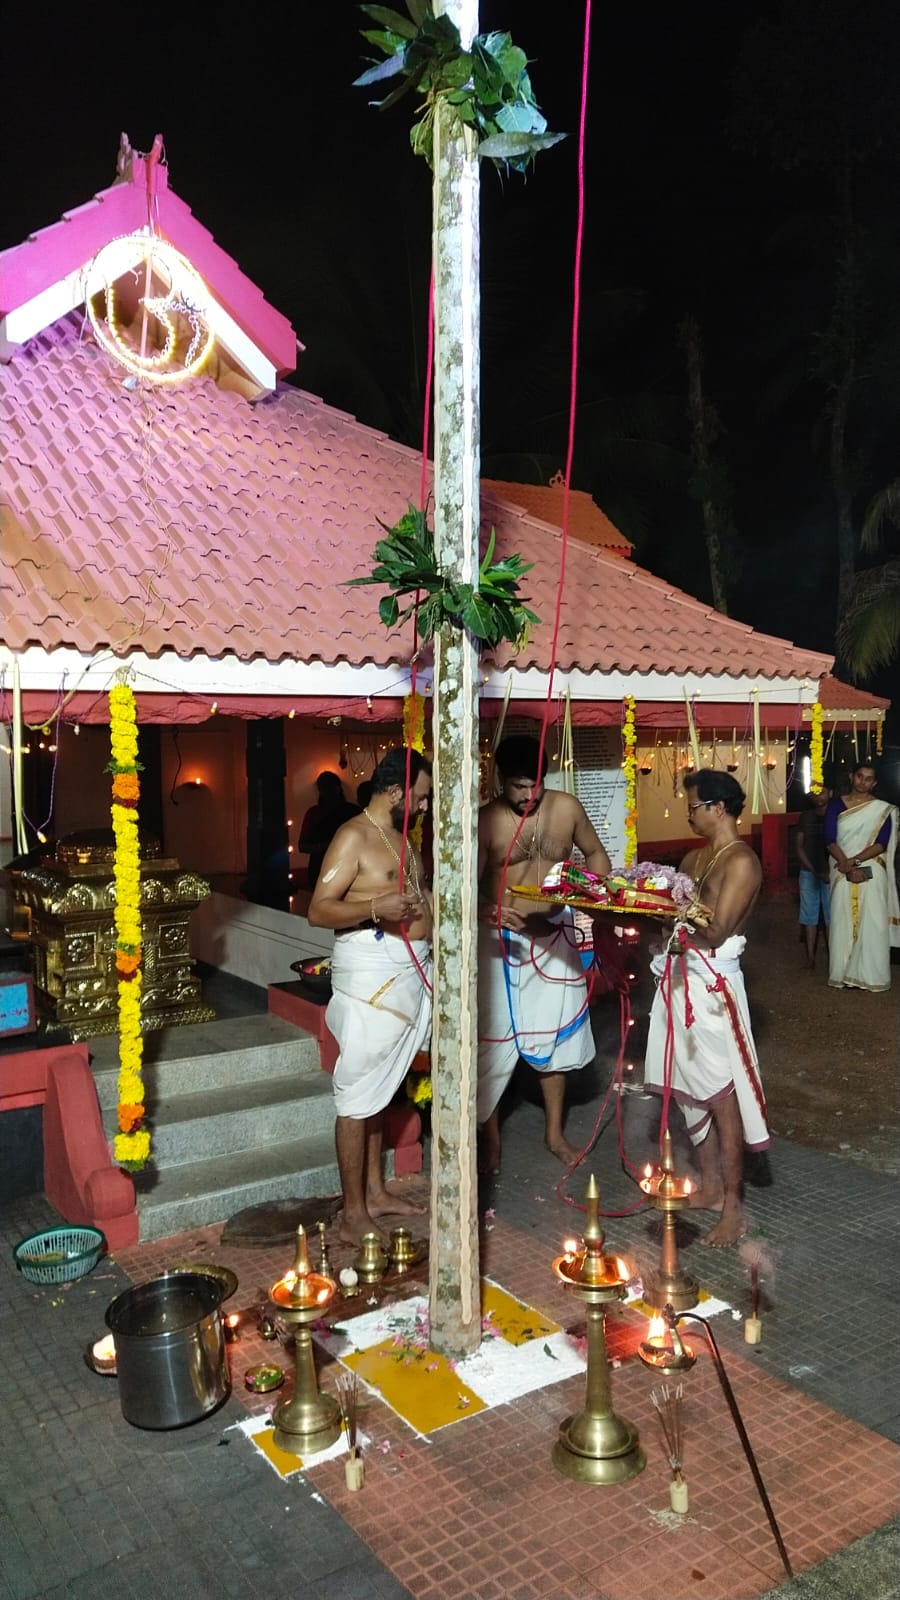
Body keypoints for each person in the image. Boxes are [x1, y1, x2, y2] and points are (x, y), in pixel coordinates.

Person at [308, 748, 433, 1245]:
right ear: (397, 791)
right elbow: (319, 910)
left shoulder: (403, 838)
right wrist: (374, 906)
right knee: (358, 1097)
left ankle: (377, 1192)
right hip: (371, 980)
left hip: (410, 972)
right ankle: (352, 1212)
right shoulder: (353, 836)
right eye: (420, 798)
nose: (423, 807)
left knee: (382, 1089)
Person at [643, 769, 767, 1247]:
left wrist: (669, 925)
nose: (687, 813)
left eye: (692, 806)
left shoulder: (742, 862)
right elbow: (675, 915)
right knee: (689, 1086)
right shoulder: (695, 857)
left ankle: (733, 1208)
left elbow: (714, 932)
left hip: (713, 985)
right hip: (679, 979)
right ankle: (711, 1186)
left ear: (717, 807)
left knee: (722, 1095)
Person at [477, 734, 611, 1174]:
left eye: (535, 784)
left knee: (556, 1038)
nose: (528, 795)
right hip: (503, 944)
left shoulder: (566, 807)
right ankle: (490, 1140)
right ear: (500, 780)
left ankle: (554, 1133)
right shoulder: (485, 821)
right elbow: (462, 888)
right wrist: (487, 912)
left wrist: (591, 892)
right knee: (491, 1042)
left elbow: (595, 855)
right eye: (518, 786)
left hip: (555, 935)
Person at [825, 762, 900, 992]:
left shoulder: (884, 809)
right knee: (841, 919)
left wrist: (853, 862)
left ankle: (870, 976)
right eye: (860, 776)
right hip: (841, 869)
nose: (863, 782)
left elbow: (881, 843)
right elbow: (829, 838)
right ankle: (843, 973)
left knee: (873, 922)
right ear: (852, 776)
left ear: (874, 783)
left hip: (872, 869)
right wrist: (846, 866)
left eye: (868, 778)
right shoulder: (836, 805)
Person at [298, 772, 359, 889]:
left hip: (348, 867)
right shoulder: (314, 813)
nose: (327, 791)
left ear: (338, 787)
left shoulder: (351, 811)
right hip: (320, 868)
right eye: (324, 787)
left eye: (330, 786)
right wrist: (325, 847)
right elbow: (302, 845)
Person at [796, 785, 832, 969]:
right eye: (815, 793)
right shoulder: (806, 816)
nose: (819, 796)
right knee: (809, 916)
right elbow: (799, 847)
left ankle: (834, 956)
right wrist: (813, 870)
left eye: (822, 792)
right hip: (809, 872)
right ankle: (810, 956)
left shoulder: (836, 815)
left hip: (832, 873)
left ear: (830, 793)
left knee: (831, 916)